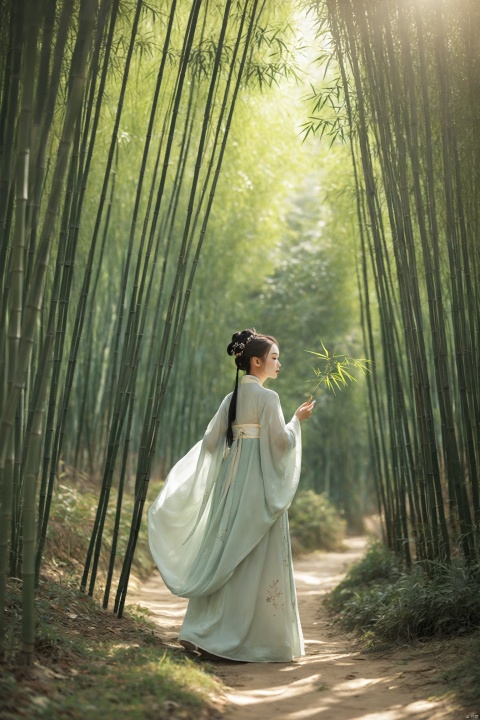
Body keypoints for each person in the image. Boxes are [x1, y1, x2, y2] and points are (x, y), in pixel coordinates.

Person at [148, 328, 315, 662]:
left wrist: (233, 456)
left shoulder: (232, 398)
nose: (279, 363)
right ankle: (251, 641)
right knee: (256, 552)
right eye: (274, 357)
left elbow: (210, 442)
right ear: (256, 361)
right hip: (258, 484)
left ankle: (201, 632)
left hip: (231, 482)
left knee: (223, 548)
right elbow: (280, 444)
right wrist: (297, 421)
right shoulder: (270, 399)